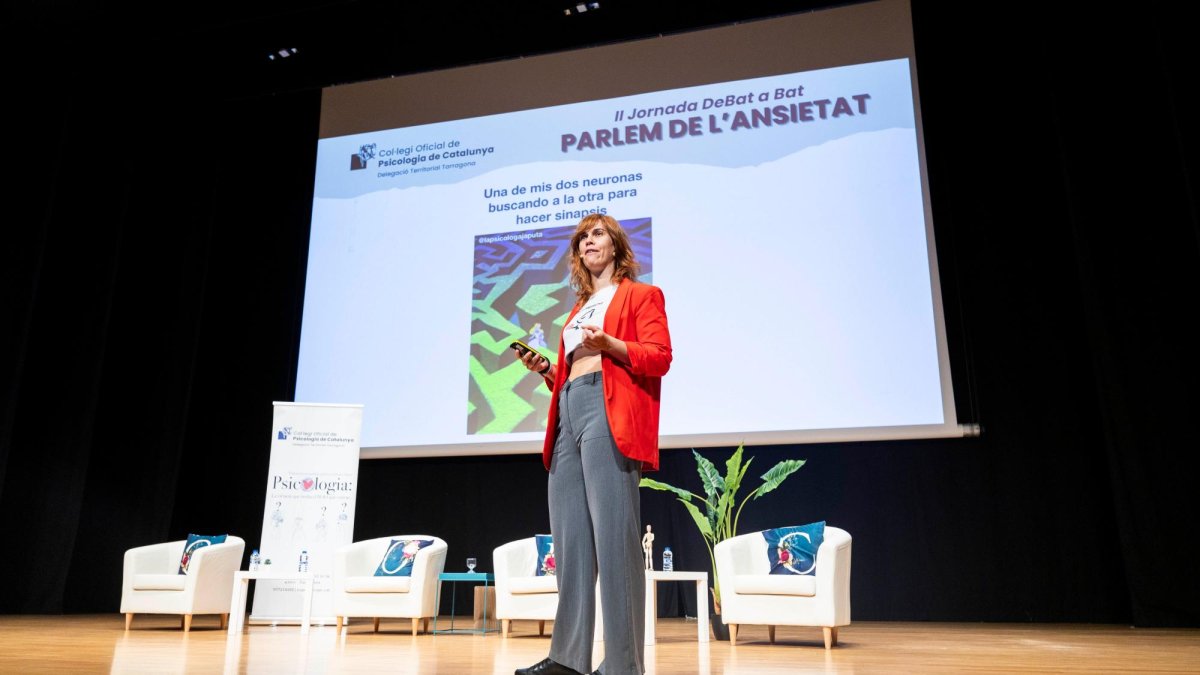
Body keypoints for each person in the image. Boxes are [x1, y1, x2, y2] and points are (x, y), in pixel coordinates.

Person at [514, 213, 672, 675]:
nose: (588, 242)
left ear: (617, 245)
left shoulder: (642, 295)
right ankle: (568, 659)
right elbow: (571, 369)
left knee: (615, 541)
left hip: (609, 410)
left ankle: (623, 664)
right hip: (567, 410)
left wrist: (611, 344)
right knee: (572, 543)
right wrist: (547, 371)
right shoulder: (578, 306)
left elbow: (659, 357)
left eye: (597, 234)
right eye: (581, 238)